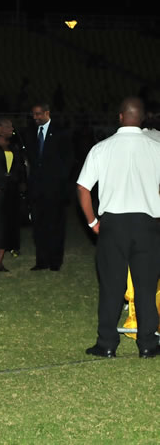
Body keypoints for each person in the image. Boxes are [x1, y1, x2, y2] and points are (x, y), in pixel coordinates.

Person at [77, 97, 160, 359]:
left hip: (113, 224)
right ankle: (147, 343)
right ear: (142, 118)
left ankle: (107, 343)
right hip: (147, 224)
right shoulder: (156, 148)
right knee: (146, 288)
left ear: (120, 116)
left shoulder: (102, 148)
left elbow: (83, 188)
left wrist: (92, 222)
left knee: (111, 286)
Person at [23, 102, 73, 271]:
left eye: (38, 114)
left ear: (47, 113)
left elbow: (68, 160)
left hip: (55, 190)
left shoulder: (61, 132)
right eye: (33, 115)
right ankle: (41, 260)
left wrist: (60, 183)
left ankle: (55, 261)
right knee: (39, 226)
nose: (35, 118)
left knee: (55, 225)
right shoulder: (30, 133)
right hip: (37, 189)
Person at [0, 117, 26, 273]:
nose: (11, 129)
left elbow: (20, 166)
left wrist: (21, 182)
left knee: (6, 225)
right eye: (8, 126)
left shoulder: (14, 145)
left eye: (11, 126)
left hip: (11, 190)